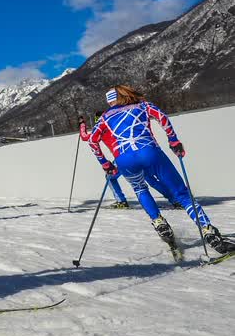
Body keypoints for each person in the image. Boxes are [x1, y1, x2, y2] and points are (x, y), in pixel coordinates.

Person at [87, 85, 234, 254]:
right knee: (182, 194)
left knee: (140, 189)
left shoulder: (105, 117)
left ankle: (158, 222)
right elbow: (162, 118)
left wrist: (105, 163)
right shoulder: (143, 105)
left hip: (124, 159)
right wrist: (174, 141)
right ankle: (209, 231)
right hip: (149, 151)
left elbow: (92, 141)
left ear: (110, 101)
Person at [80, 113, 180, 209]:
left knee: (110, 177)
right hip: (137, 152)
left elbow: (85, 137)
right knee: (150, 179)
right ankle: (174, 199)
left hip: (121, 158)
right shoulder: (115, 124)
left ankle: (121, 201)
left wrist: (82, 124)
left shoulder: (100, 128)